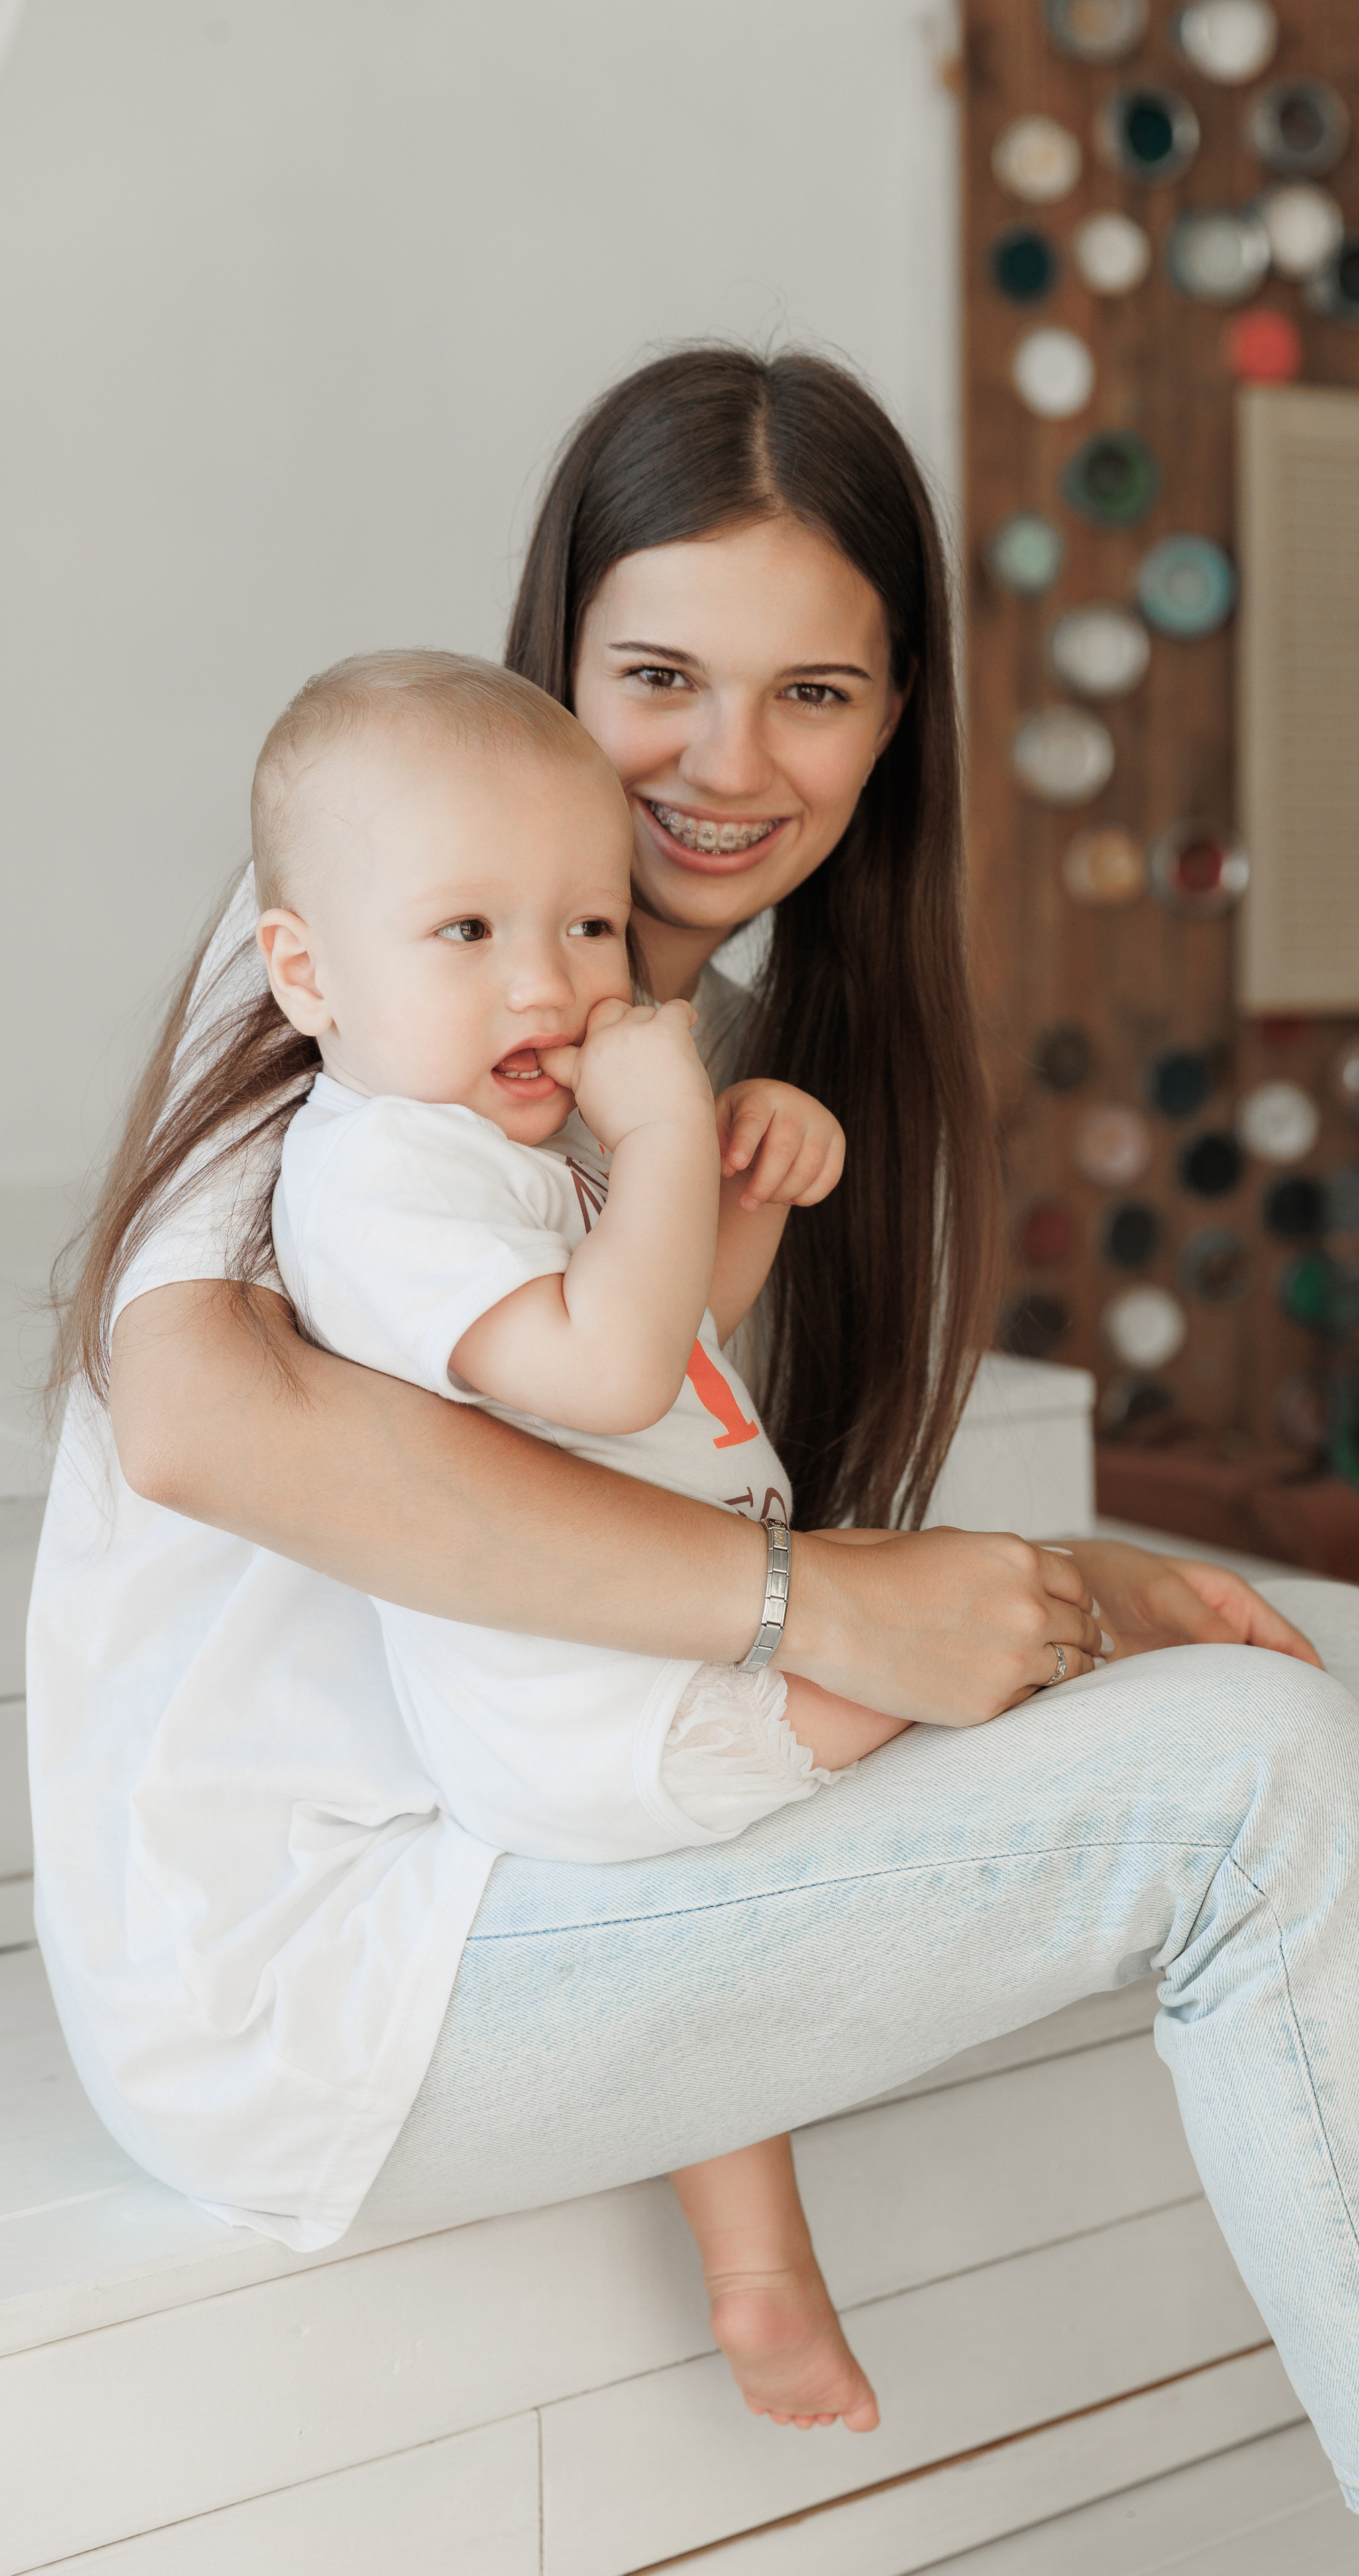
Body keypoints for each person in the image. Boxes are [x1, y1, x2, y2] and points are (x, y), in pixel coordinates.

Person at [33, 348, 1359, 2571]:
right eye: (659, 675)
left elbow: (666, 1554)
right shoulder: (367, 970)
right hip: (331, 1972)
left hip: (549, 1855)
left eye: (812, 694)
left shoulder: (678, 1056)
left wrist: (1014, 1606)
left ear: (896, 718)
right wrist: (823, 1602)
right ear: (558, 661)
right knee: (1252, 1779)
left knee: (1346, 1678)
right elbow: (197, 1419)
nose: (729, 766)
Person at [256, 643, 907, 2426]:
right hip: (607, 1712)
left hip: (650, 1670)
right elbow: (616, 1377)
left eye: (592, 933)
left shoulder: (487, 1146)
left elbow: (672, 1324)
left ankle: (764, 2288)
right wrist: (671, 1120)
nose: (547, 981)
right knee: (994, 1678)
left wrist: (737, 1188)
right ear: (307, 972)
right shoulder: (381, 1176)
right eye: (467, 935)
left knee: (729, 1956)